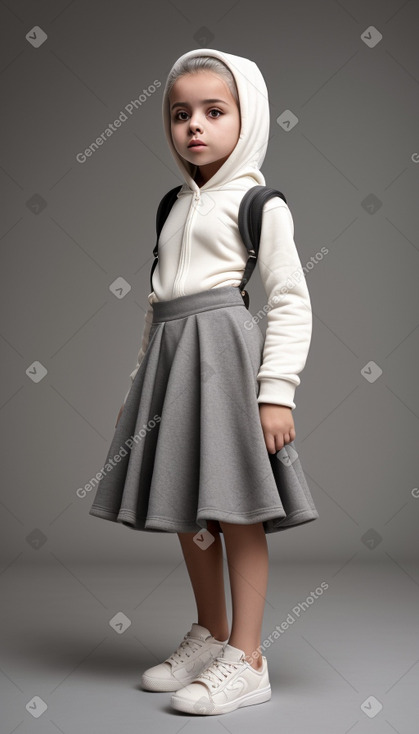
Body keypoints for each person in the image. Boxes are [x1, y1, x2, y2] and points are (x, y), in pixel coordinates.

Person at [89, 48, 319, 715]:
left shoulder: (258, 203)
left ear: (246, 120)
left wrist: (276, 388)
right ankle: (211, 633)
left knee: (234, 507)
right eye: (179, 113)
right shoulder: (171, 204)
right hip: (170, 359)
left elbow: (288, 297)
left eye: (214, 112)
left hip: (220, 357)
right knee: (189, 510)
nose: (194, 125)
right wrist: (139, 387)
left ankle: (247, 657)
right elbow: (155, 302)